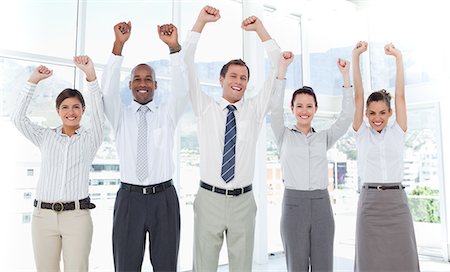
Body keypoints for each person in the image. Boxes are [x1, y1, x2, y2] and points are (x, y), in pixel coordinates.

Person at [181, 5, 283, 271]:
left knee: (242, 267)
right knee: (203, 266)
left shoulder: (255, 109)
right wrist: (200, 21)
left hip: (243, 203)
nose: (239, 81)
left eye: (244, 78)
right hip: (209, 200)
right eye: (234, 76)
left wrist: (260, 30)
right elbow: (186, 63)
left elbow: (277, 63)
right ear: (222, 79)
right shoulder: (205, 108)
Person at [102, 21, 186, 272]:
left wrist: (173, 49)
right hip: (130, 200)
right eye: (137, 79)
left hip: (164, 200)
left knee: (166, 266)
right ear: (129, 85)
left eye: (148, 79)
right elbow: (106, 92)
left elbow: (182, 90)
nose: (142, 83)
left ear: (156, 85)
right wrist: (118, 45)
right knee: (125, 266)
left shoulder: (167, 114)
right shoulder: (120, 116)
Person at [11, 56, 103, 272]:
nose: (70, 112)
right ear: (58, 111)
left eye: (76, 107)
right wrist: (33, 81)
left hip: (77, 217)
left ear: (83, 110)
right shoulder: (45, 137)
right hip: (43, 217)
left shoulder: (91, 139)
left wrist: (90, 75)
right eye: (65, 107)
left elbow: (100, 114)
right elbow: (18, 119)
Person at [271, 53, 354, 271]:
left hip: (321, 205)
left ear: (316, 109)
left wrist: (346, 77)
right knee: (296, 265)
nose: (304, 111)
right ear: (292, 109)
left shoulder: (323, 137)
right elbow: (274, 109)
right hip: (293, 204)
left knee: (323, 265)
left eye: (309, 106)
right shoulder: (283, 135)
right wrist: (283, 70)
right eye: (299, 106)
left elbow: (346, 117)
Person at [352, 41, 420, 271]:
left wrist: (398, 58)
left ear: (390, 113)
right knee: (369, 261)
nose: (377, 117)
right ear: (366, 114)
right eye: (371, 113)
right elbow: (358, 94)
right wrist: (356, 57)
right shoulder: (362, 134)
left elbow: (400, 95)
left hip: (396, 204)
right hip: (369, 204)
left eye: (382, 112)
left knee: (404, 259)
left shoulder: (398, 131)